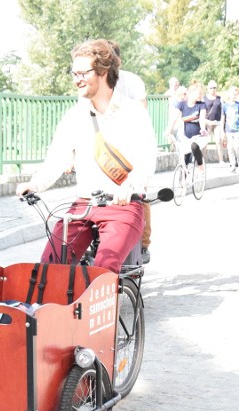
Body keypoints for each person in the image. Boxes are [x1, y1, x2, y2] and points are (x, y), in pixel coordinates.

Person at [15, 39, 157, 274]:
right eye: (74, 72)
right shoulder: (75, 115)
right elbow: (57, 158)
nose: (76, 78)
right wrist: (34, 184)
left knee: (102, 270)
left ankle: (104, 308)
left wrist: (130, 186)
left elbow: (146, 160)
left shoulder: (133, 113)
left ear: (102, 72)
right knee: (49, 267)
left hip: (122, 205)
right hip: (84, 205)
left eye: (82, 72)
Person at [108, 41, 152, 264]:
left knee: (139, 193)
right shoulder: (95, 83)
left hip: (131, 146)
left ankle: (143, 244)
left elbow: (141, 112)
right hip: (106, 149)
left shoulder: (132, 81)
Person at [168, 83, 207, 166]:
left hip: (198, 136)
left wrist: (203, 128)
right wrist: (169, 130)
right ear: (191, 93)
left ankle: (200, 165)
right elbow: (174, 118)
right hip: (186, 136)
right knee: (185, 157)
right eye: (199, 93)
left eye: (201, 93)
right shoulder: (182, 104)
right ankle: (183, 177)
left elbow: (202, 118)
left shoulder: (201, 105)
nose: (200, 95)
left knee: (194, 147)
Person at [221, 85, 239, 172]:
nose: (234, 96)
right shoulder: (225, 106)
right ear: (229, 95)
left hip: (237, 130)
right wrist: (222, 131)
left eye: (236, 94)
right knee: (230, 148)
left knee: (237, 147)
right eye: (233, 94)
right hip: (228, 130)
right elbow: (223, 119)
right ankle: (232, 164)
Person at [204, 80, 223, 162]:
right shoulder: (204, 98)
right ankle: (203, 160)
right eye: (211, 88)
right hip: (207, 122)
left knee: (219, 141)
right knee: (205, 142)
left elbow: (222, 111)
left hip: (217, 122)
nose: (213, 89)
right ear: (208, 88)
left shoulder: (220, 98)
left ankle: (221, 160)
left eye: (214, 87)